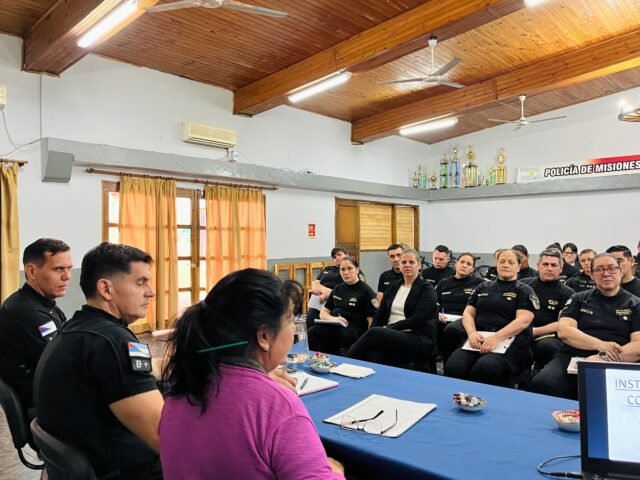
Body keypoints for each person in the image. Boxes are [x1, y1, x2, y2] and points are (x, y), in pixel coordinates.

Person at [158, 269, 344, 479]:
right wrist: (334, 472)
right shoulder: (278, 406)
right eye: (290, 320)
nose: (293, 328)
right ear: (264, 336)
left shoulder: (180, 390)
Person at [34, 243, 164, 479]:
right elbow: (164, 437)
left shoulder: (79, 328)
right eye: (140, 282)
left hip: (94, 457)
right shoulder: (114, 342)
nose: (151, 292)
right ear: (106, 289)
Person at [530, 253, 640, 400]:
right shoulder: (578, 299)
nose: (606, 273)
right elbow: (564, 331)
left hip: (617, 359)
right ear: (591, 274)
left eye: (611, 268)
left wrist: (603, 357)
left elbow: (637, 345)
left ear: (620, 272)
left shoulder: (635, 304)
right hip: (574, 356)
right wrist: (599, 345)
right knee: (542, 383)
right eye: (599, 269)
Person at [444, 249, 538, 387]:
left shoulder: (524, 290)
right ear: (496, 264)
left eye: (511, 262)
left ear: (518, 267)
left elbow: (523, 321)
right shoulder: (483, 287)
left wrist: (496, 338)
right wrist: (471, 333)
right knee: (454, 366)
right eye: (502, 261)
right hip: (479, 339)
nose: (506, 265)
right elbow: (468, 313)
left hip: (510, 342)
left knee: (485, 368)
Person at [0, 238, 72, 414]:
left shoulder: (43, 304)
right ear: (31, 271)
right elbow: (65, 366)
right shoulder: (27, 312)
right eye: (58, 269)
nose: (67, 276)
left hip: (54, 398)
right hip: (45, 409)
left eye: (69, 268)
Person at [347, 249, 438, 367]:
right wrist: (378, 329)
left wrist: (387, 328)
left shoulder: (427, 289)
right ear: (400, 265)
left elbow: (417, 320)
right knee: (372, 355)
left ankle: (345, 364)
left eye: (411, 262)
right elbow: (380, 313)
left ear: (419, 266)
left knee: (374, 333)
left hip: (416, 336)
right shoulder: (393, 286)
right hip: (390, 334)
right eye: (404, 262)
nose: (407, 265)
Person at [308, 256, 376, 355]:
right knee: (311, 332)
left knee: (322, 332)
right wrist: (333, 319)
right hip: (335, 325)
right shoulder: (338, 289)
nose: (346, 272)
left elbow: (371, 322)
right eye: (342, 269)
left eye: (349, 268)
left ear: (357, 270)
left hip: (353, 331)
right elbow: (323, 313)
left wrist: (368, 343)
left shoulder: (366, 291)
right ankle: (312, 359)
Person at [520, 249, 575, 370]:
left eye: (554, 265)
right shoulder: (523, 286)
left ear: (561, 268)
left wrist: (534, 331)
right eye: (545, 264)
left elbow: (563, 323)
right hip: (518, 332)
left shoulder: (568, 293)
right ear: (538, 266)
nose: (549, 268)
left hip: (547, 337)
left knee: (549, 346)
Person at [436, 253, 486, 363]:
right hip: (443, 320)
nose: (464, 265)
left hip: (465, 323)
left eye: (468, 264)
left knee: (451, 330)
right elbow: (434, 303)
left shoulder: (480, 284)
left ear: (472, 269)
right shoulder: (444, 283)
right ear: (456, 263)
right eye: (462, 262)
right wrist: (437, 313)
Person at [306, 247, 365, 328]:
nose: (337, 258)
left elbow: (355, 290)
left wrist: (331, 294)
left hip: (338, 302)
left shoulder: (352, 271)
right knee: (310, 320)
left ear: (347, 255)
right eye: (334, 257)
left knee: (327, 326)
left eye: (339, 255)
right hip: (319, 301)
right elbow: (315, 286)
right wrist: (325, 291)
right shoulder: (327, 269)